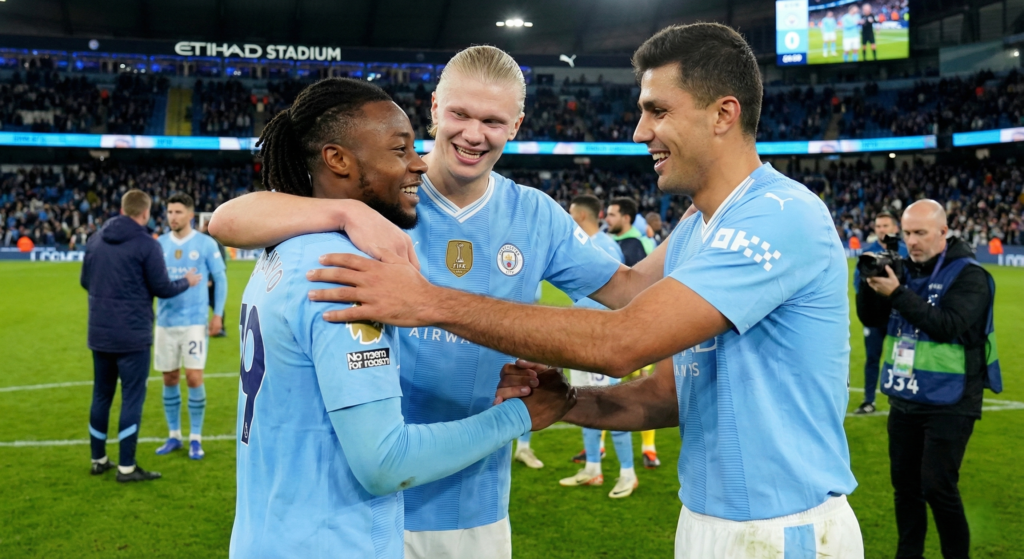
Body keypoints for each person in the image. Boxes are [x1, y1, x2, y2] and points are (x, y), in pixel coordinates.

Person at [306, 23, 864, 559]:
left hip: (782, 525)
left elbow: (625, 332)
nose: (639, 131)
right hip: (703, 518)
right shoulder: (700, 229)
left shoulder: (780, 215)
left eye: (657, 111)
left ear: (724, 114)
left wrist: (426, 301)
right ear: (434, 109)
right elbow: (665, 392)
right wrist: (566, 402)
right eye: (459, 113)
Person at [210, 46, 631, 559]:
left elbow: (628, 293)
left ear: (516, 125)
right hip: (368, 495)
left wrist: (712, 215)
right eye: (460, 114)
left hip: (471, 502)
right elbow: (226, 220)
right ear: (435, 107)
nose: (473, 133)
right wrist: (346, 213)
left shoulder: (533, 214)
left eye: (493, 120)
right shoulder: (382, 197)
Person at [859, 199, 1001, 559]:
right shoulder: (906, 269)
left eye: (920, 233)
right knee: (905, 487)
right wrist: (870, 284)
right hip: (907, 396)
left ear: (943, 231)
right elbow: (871, 319)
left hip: (952, 399)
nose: (913, 241)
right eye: (907, 233)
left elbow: (947, 325)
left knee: (938, 487)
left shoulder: (970, 275)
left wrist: (898, 294)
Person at [80, 189, 201, 483]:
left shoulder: (95, 239)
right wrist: (186, 281)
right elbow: (163, 288)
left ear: (123, 209)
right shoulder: (147, 244)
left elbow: (85, 281)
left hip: (100, 332)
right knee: (132, 398)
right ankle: (126, 467)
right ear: (145, 213)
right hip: (132, 335)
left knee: (101, 394)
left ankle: (98, 459)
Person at [559, 194, 638, 498]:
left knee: (610, 406)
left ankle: (628, 474)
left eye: (570, 214)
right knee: (585, 404)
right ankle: (592, 469)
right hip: (581, 342)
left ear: (579, 217)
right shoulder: (584, 246)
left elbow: (615, 298)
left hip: (600, 343)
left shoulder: (603, 247)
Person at [153, 193, 228, 460]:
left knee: (194, 378)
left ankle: (195, 438)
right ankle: (174, 435)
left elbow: (220, 280)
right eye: (169, 212)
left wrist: (217, 314)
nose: (172, 217)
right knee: (169, 378)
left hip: (195, 322)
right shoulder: (158, 244)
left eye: (177, 212)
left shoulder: (206, 244)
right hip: (165, 322)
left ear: (190, 216)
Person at [605, 196, 662, 468]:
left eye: (613, 214)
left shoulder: (642, 244)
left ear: (626, 217)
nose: (607, 218)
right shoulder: (605, 242)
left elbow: (650, 287)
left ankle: (649, 448)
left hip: (636, 329)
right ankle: (598, 447)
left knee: (642, 387)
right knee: (604, 387)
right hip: (607, 328)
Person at [853, 211, 907, 414]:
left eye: (885, 226)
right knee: (872, 358)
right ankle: (869, 400)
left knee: (902, 359)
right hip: (875, 316)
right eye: (878, 226)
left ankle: (902, 399)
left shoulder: (905, 250)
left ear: (895, 228)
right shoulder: (868, 254)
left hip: (899, 315)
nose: (881, 230)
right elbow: (857, 283)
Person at [607, 197, 650, 265]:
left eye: (612, 215)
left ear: (626, 218)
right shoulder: (609, 241)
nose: (607, 219)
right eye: (607, 215)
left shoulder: (635, 246)